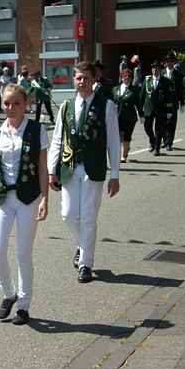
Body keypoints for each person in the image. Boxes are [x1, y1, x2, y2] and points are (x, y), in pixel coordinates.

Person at [0, 84, 49, 325]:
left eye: (16, 103)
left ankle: (24, 306)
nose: (11, 108)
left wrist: (45, 199)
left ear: (25, 104)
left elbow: (42, 167)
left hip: (28, 197)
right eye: (7, 103)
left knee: (23, 253)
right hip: (2, 198)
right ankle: (9, 294)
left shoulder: (37, 130)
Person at [48, 61, 121, 283]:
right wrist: (52, 170)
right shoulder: (66, 106)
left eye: (86, 78)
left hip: (94, 168)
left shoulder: (107, 105)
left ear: (93, 79)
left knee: (88, 217)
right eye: (78, 77)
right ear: (74, 80)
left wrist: (115, 174)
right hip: (69, 167)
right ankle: (82, 246)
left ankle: (86, 264)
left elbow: (114, 141)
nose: (82, 81)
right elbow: (58, 139)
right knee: (68, 214)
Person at [141, 61, 174, 156]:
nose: (155, 70)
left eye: (157, 68)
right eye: (153, 68)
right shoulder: (147, 80)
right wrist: (140, 111)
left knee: (159, 129)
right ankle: (153, 140)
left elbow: (169, 97)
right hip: (148, 108)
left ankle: (157, 148)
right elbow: (142, 96)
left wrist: (169, 111)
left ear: (160, 70)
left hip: (161, 109)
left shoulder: (166, 81)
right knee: (147, 127)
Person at [113, 69, 143, 162]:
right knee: (117, 136)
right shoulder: (115, 89)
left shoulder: (134, 89)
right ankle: (119, 152)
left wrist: (141, 115)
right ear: (121, 78)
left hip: (130, 117)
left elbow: (138, 103)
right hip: (117, 116)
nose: (127, 78)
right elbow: (111, 101)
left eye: (129, 77)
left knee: (127, 135)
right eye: (125, 76)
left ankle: (124, 155)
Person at [163, 51, 185, 150]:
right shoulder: (162, 73)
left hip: (173, 102)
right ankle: (163, 140)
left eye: (171, 61)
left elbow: (181, 89)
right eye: (168, 61)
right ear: (166, 62)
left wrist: (182, 102)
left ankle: (169, 143)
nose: (170, 63)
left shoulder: (178, 74)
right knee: (162, 122)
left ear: (174, 62)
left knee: (171, 123)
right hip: (161, 102)